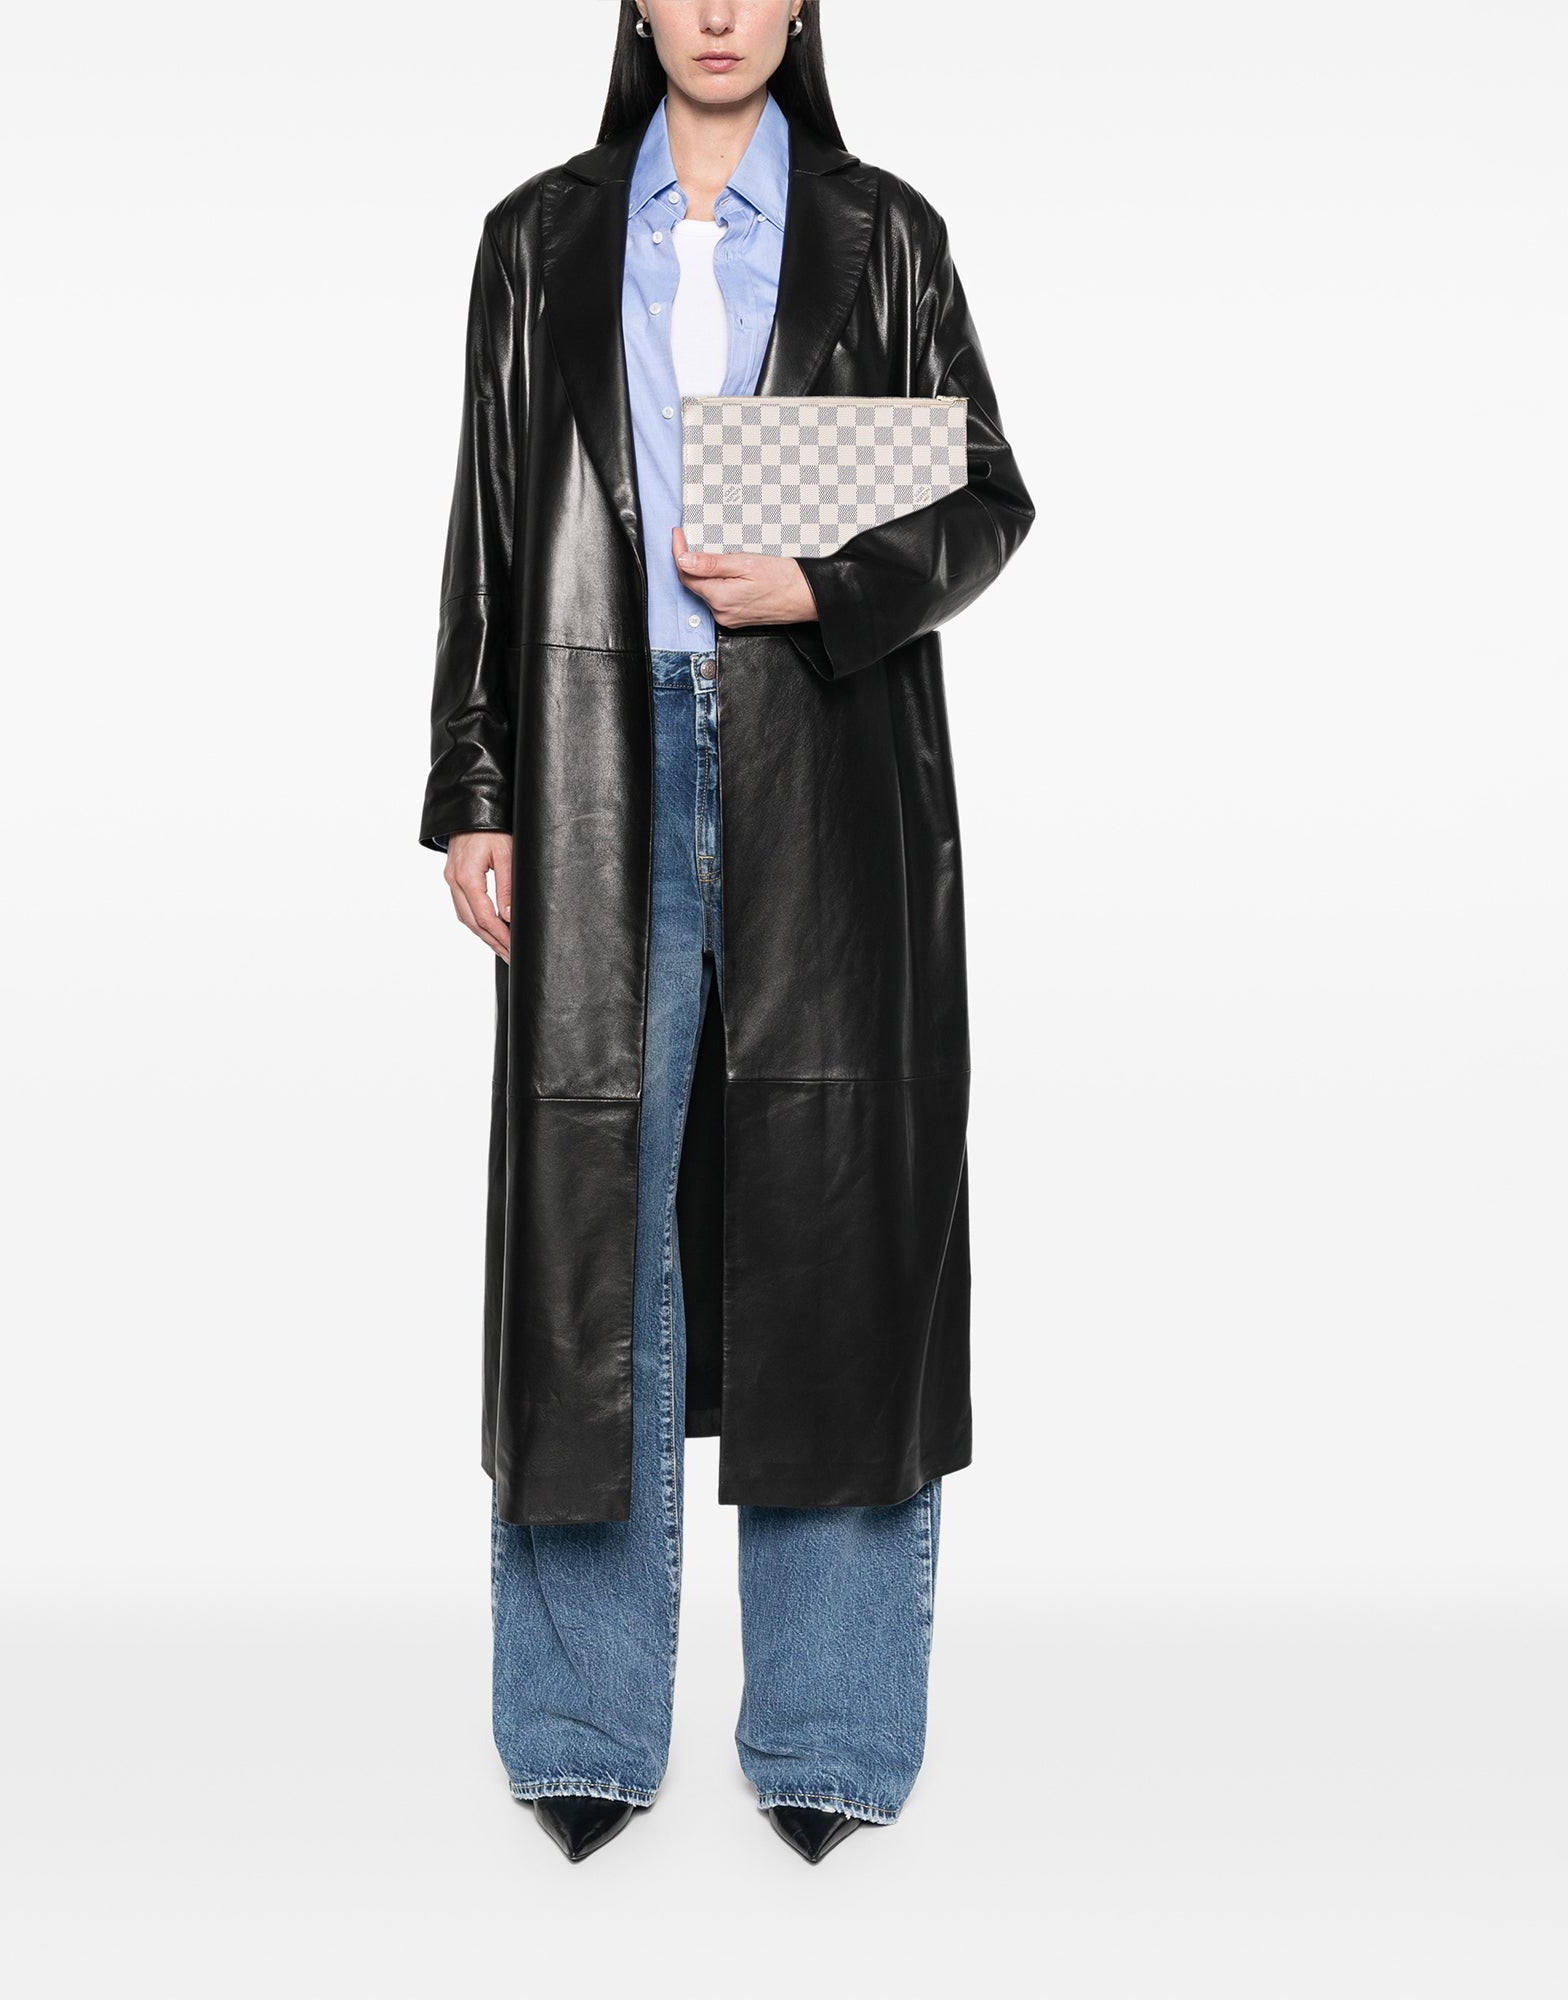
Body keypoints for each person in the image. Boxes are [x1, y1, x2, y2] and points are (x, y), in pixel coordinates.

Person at [418, 0, 1033, 1866]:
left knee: (835, 1225)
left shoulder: (882, 232)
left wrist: (822, 583)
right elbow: (491, 524)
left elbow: (988, 497)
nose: (714, 10)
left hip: (822, 771)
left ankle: (832, 1727)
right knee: (589, 1237)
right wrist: (474, 783)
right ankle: (581, 1722)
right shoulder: (539, 237)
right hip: (592, 759)